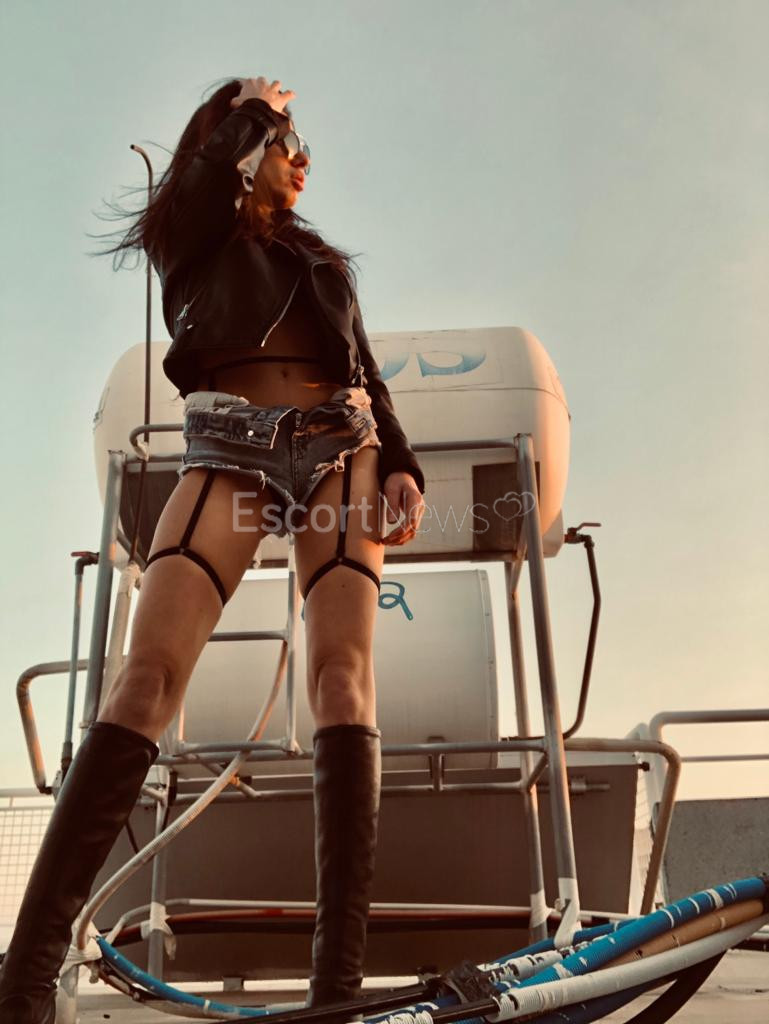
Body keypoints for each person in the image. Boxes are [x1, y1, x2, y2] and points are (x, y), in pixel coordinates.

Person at [0, 76, 426, 1024]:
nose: (304, 161)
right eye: (289, 143)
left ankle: (335, 993)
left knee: (342, 680)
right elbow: (197, 184)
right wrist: (249, 108)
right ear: (243, 146)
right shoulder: (189, 231)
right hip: (229, 441)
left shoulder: (321, 261)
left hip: (340, 442)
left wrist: (400, 460)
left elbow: (362, 367)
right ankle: (22, 984)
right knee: (145, 679)